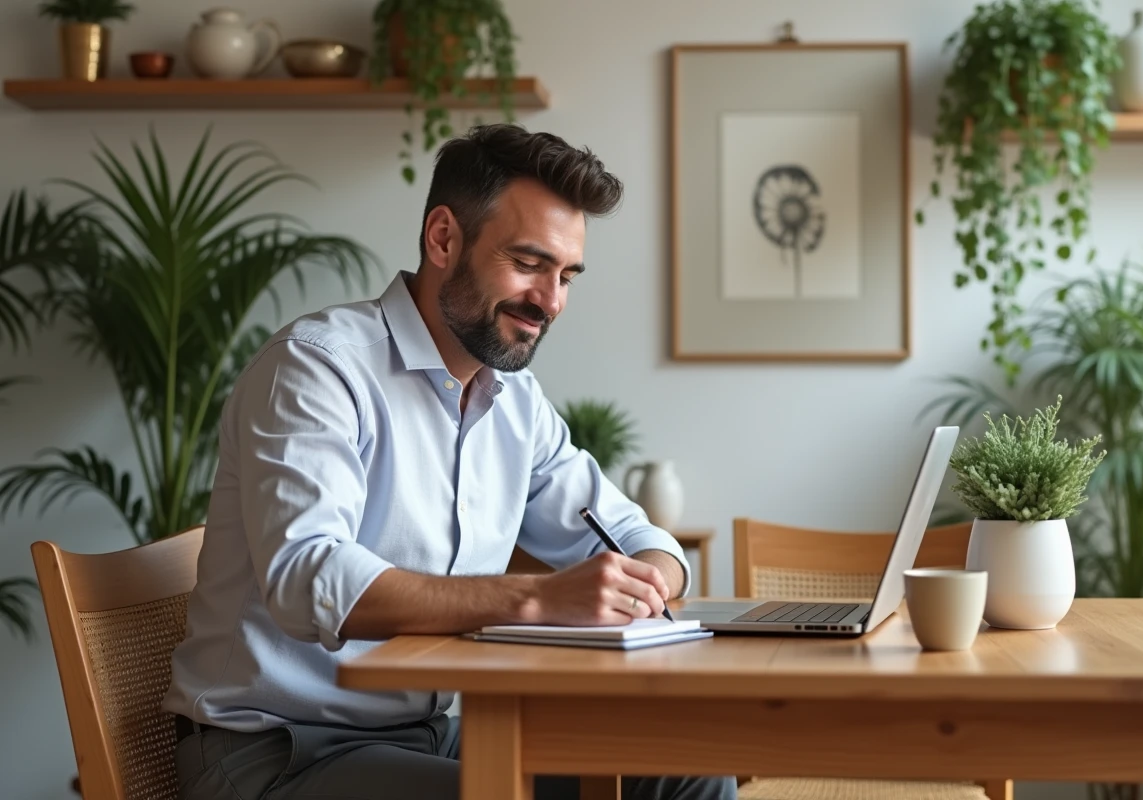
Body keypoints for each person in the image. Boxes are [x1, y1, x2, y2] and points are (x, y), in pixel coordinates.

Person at [162, 123, 737, 800]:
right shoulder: (319, 370)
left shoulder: (515, 402)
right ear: (443, 239)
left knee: (685, 767)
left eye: (566, 276)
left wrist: (648, 580)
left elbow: (641, 539)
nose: (550, 303)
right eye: (528, 263)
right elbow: (308, 576)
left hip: (427, 734)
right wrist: (539, 597)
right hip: (276, 754)